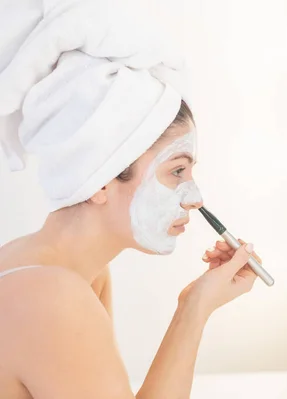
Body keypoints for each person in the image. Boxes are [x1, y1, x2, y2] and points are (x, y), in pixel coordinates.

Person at [0, 1, 261, 398]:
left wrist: (194, 302)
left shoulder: (61, 271)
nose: (195, 197)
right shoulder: (53, 297)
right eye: (177, 171)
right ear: (100, 179)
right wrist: (193, 313)